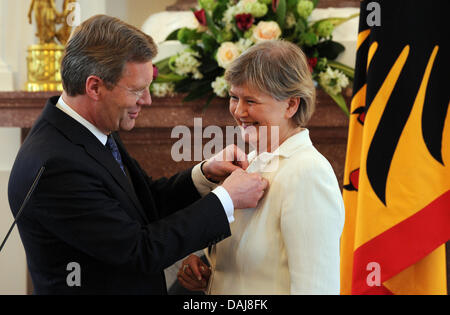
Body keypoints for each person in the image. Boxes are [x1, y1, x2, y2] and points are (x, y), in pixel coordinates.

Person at [7, 15, 268, 295]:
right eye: (136, 90)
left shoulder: (92, 128)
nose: (147, 100)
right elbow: (139, 251)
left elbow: (144, 202)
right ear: (94, 87)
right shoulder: (57, 165)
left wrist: (204, 174)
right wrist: (226, 199)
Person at [177, 40, 345, 295]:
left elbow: (316, 288)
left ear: (291, 105)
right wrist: (208, 271)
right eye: (234, 97)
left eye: (251, 101)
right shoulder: (252, 162)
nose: (239, 111)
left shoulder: (308, 172)